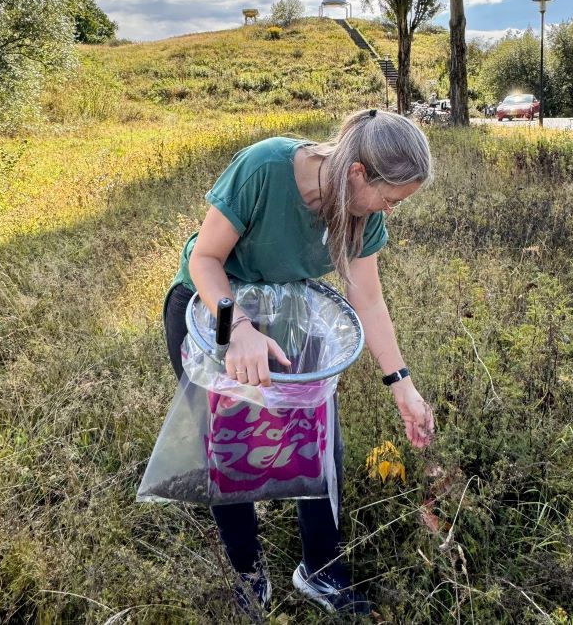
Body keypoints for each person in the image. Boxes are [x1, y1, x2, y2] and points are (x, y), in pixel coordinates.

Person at [163, 108, 435, 617]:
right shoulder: (264, 168)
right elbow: (204, 259)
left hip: (286, 318)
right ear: (358, 174)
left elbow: (369, 301)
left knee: (317, 444)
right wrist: (237, 331)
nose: (390, 212)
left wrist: (402, 385)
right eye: (391, 199)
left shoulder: (361, 212)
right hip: (211, 313)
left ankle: (320, 570)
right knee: (231, 450)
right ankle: (247, 573)